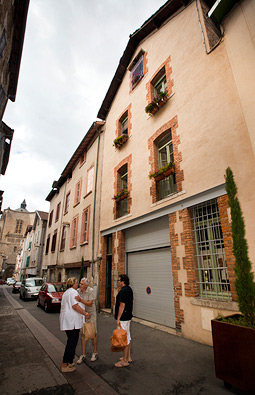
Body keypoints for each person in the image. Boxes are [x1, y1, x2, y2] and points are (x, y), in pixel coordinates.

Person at [59, 277, 90, 373]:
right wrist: (85, 313)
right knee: (71, 342)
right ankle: (64, 364)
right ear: (73, 284)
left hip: (68, 321)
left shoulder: (67, 292)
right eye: (76, 282)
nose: (77, 284)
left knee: (71, 341)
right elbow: (75, 306)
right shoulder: (73, 292)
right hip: (71, 322)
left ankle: (69, 361)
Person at [75, 277, 98, 364]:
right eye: (80, 283)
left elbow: (90, 303)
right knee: (83, 333)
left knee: (93, 333)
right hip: (82, 314)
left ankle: (95, 352)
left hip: (91, 314)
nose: (79, 285)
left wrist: (80, 300)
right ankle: (83, 354)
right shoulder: (78, 291)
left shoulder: (91, 291)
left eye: (81, 284)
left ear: (86, 285)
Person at [114, 274, 133, 368]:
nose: (118, 282)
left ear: (123, 282)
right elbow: (132, 301)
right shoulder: (129, 289)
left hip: (123, 318)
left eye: (119, 280)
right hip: (128, 316)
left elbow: (122, 305)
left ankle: (125, 361)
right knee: (128, 337)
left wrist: (118, 318)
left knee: (124, 338)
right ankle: (128, 357)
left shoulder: (123, 291)